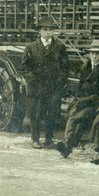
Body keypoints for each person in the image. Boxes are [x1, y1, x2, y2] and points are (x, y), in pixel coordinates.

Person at [55, 39, 99, 158]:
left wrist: (83, 100)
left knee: (77, 116)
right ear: (89, 54)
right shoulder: (85, 67)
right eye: (92, 53)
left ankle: (67, 144)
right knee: (77, 117)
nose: (94, 56)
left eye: (97, 53)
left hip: (96, 102)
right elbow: (80, 87)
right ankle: (68, 145)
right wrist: (78, 98)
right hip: (83, 100)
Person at [21, 16, 69, 149]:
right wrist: (32, 80)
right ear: (40, 32)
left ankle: (48, 139)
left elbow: (65, 67)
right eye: (45, 29)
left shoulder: (60, 47)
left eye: (50, 30)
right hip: (36, 87)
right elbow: (24, 66)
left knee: (52, 113)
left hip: (53, 87)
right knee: (35, 114)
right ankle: (35, 139)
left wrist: (59, 82)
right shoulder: (31, 47)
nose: (48, 32)